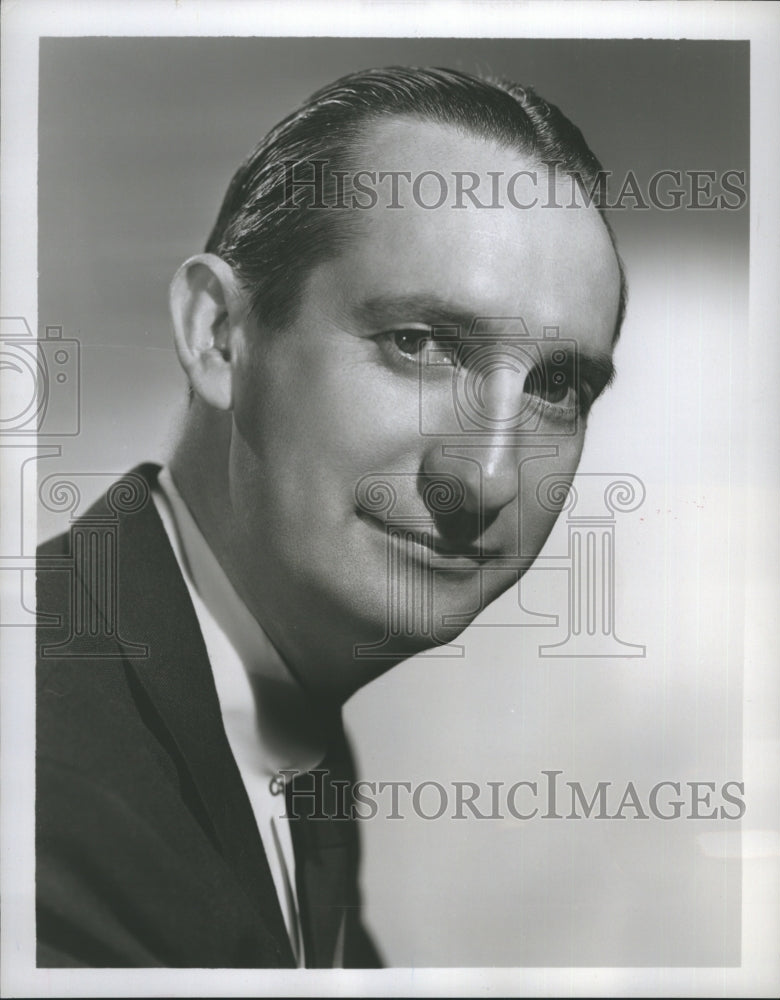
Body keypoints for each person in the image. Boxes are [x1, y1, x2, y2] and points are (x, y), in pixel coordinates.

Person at [36, 66, 624, 968]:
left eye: (555, 388)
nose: (488, 475)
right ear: (218, 335)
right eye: (420, 345)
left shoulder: (282, 726)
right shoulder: (43, 771)